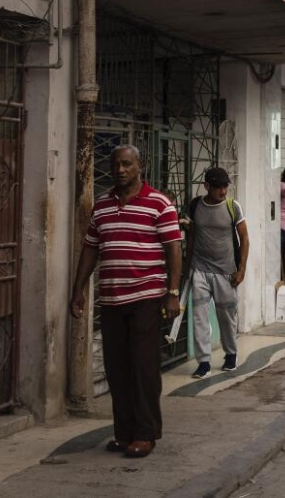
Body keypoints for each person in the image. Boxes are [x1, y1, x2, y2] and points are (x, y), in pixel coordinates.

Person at [70, 145, 182, 459]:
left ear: (140, 166)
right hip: (111, 298)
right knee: (116, 367)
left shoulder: (160, 203)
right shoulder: (102, 206)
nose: (120, 170)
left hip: (146, 297)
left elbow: (174, 249)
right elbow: (91, 248)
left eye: (127, 164)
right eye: (116, 164)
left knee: (143, 366)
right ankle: (124, 433)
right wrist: (78, 289)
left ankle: (145, 434)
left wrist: (172, 293)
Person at [188, 167, 249, 379]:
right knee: (199, 317)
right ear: (207, 187)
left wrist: (241, 270)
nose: (223, 191)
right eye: (218, 187)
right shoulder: (196, 205)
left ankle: (231, 354)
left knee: (226, 316)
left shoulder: (233, 207)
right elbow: (192, 235)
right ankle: (203, 362)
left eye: (225, 186)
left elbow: (244, 239)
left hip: (226, 271)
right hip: (200, 269)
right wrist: (188, 266)